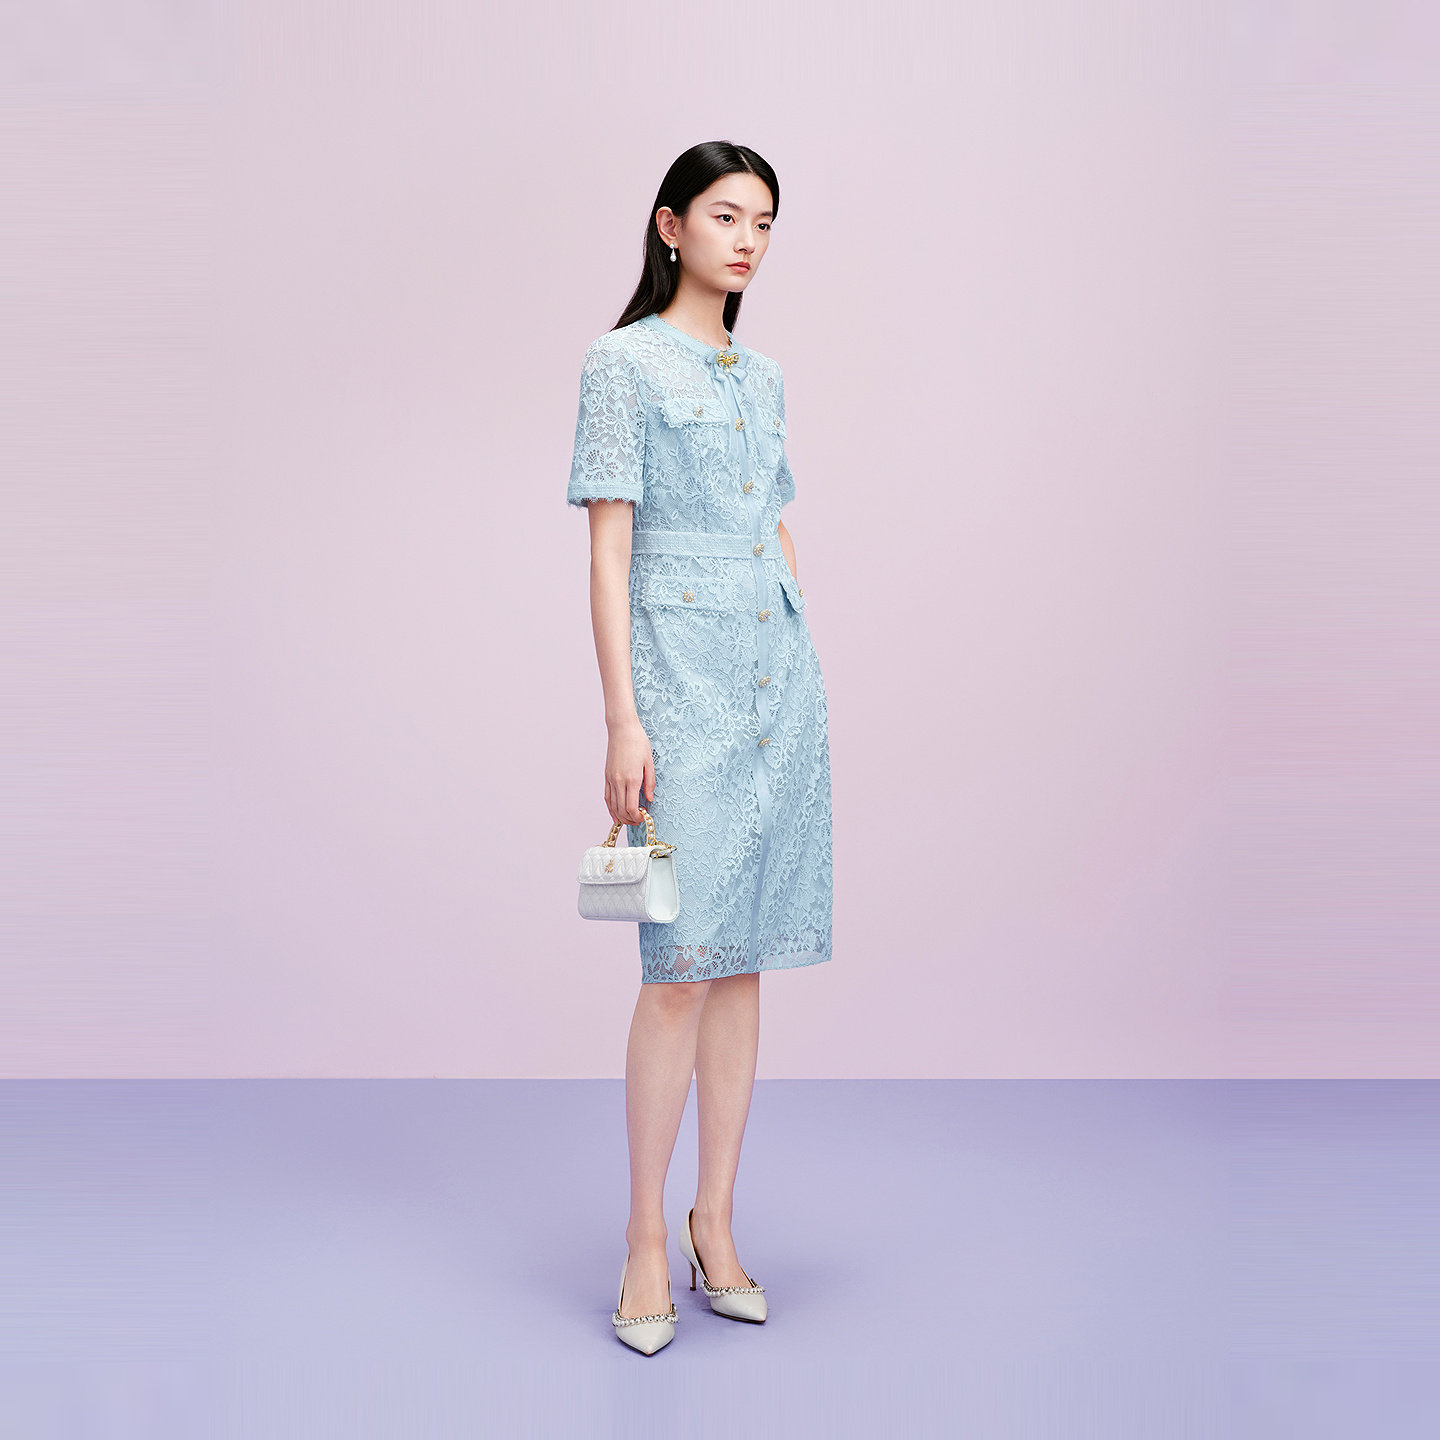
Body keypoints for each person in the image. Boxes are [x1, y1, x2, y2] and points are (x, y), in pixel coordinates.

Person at [566, 142, 834, 1355]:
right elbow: (609, 549)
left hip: (777, 680)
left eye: (765, 223)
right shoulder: (620, 363)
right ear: (671, 226)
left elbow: (773, 522)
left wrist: (801, 639)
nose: (748, 241)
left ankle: (713, 1223)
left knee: (741, 962)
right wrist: (624, 718)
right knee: (677, 965)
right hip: (678, 679)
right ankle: (642, 1237)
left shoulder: (763, 375)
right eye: (727, 217)